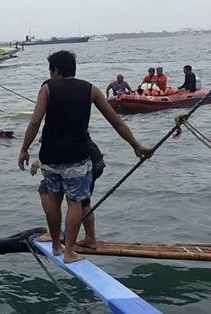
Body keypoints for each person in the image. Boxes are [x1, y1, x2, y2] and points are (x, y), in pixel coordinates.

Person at [18, 50, 151, 263]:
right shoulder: (91, 90)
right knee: (75, 202)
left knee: (53, 199)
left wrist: (24, 149)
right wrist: (136, 145)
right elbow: (116, 122)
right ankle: (69, 251)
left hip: (50, 157)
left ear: (55, 70)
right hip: (77, 157)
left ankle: (55, 246)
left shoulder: (47, 89)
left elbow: (35, 122)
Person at [30, 139, 105, 249]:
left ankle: (55, 233)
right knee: (82, 202)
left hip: (83, 161)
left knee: (45, 190)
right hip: (94, 159)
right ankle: (90, 238)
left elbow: (51, 143)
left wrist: (38, 160)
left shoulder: (55, 127)